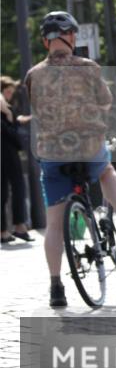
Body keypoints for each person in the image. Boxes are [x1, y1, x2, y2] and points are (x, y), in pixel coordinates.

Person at [24, 11, 116, 307]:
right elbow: (106, 102)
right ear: (71, 36)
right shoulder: (88, 68)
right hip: (88, 147)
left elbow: (38, 108)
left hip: (52, 154)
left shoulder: (33, 75)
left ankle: (56, 287)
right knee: (106, 171)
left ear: (45, 41)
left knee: (54, 225)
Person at [1, 76, 33, 244]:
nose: (8, 95)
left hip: (7, 151)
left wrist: (16, 118)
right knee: (16, 187)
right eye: (6, 92)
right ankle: (18, 226)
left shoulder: (7, 108)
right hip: (7, 152)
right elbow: (8, 130)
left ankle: (5, 230)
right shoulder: (3, 108)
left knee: (4, 191)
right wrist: (8, 114)